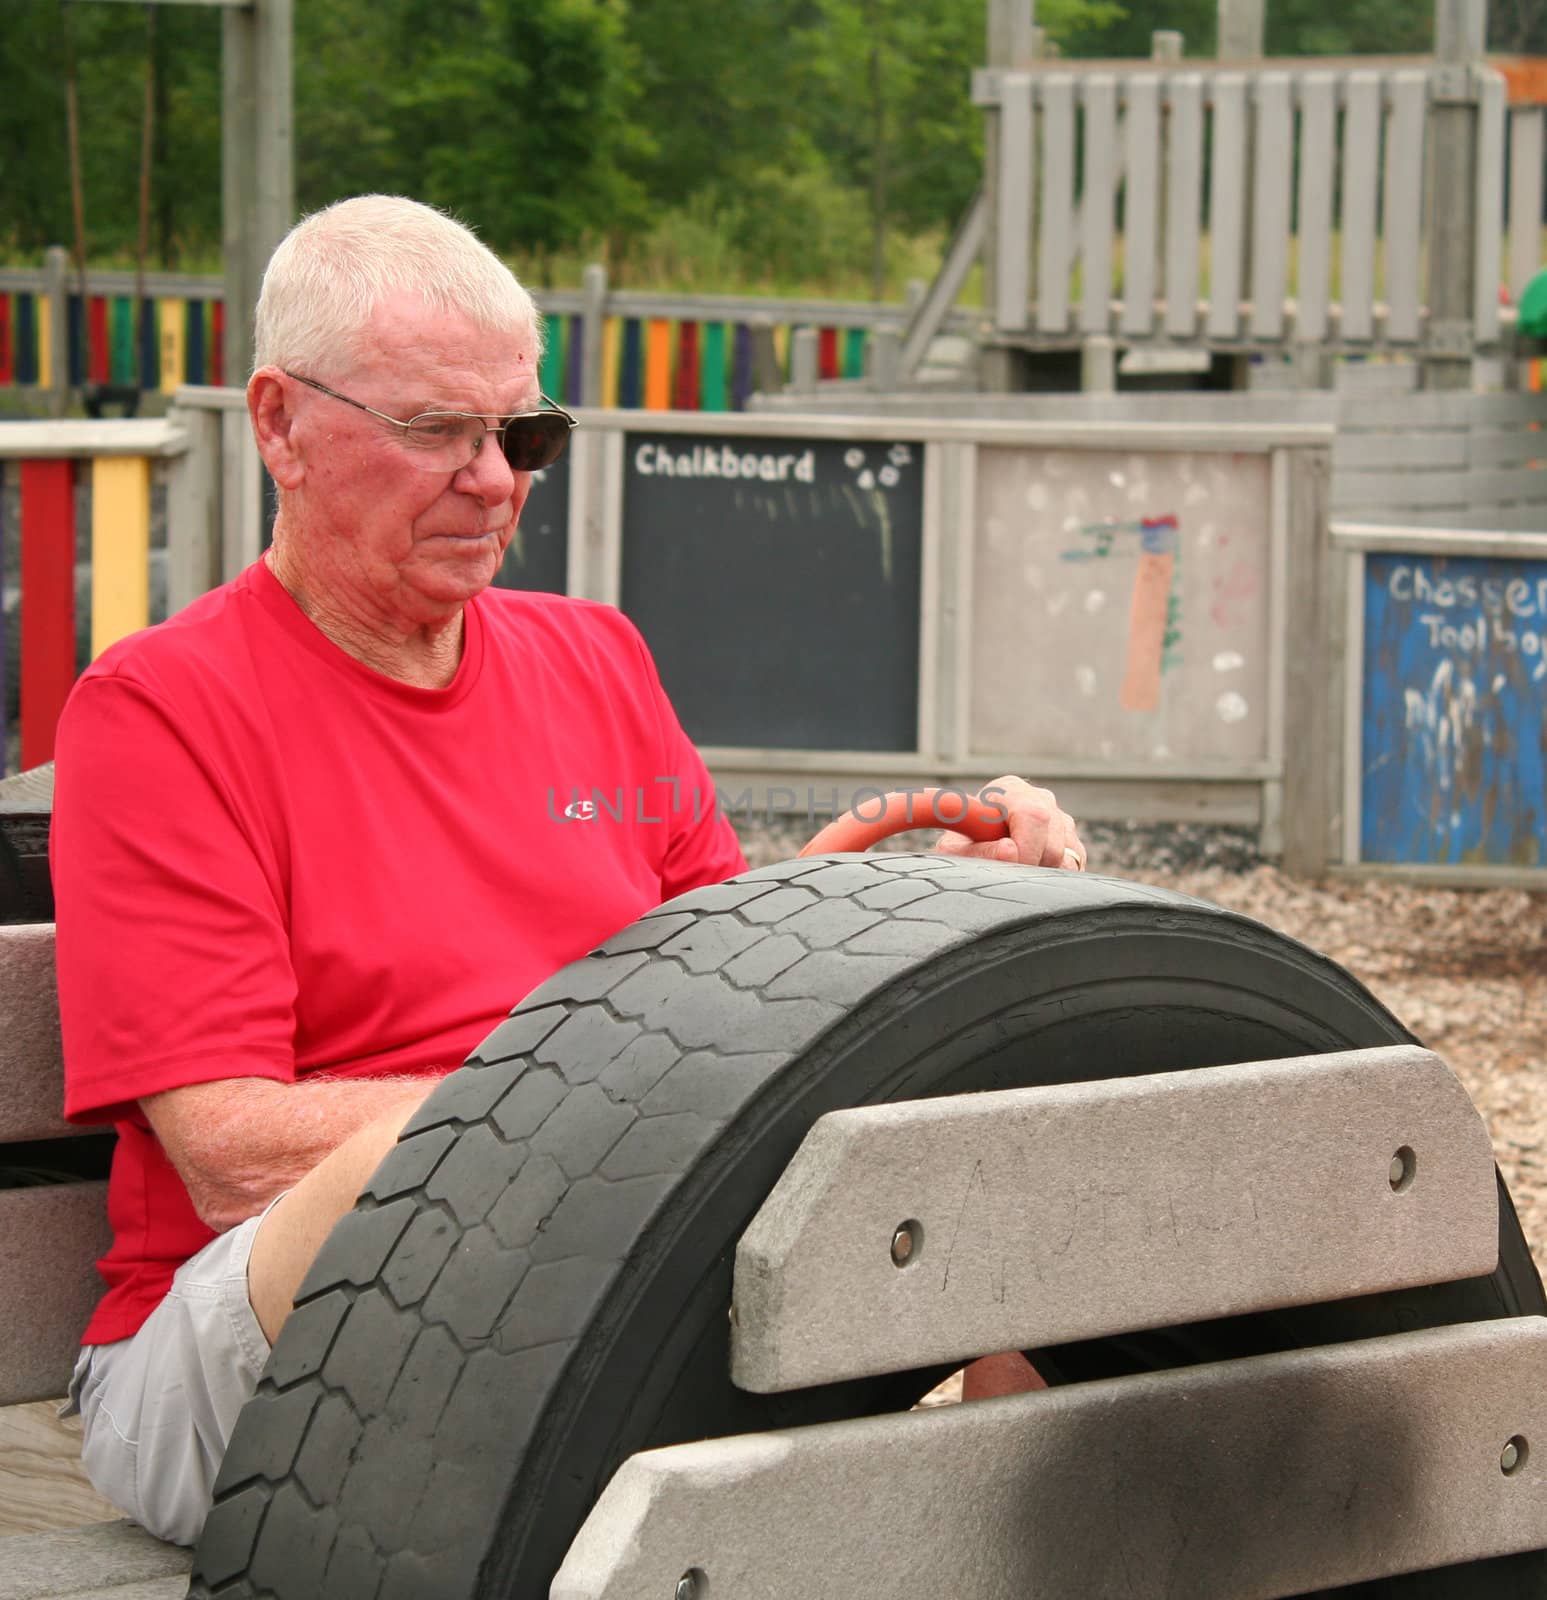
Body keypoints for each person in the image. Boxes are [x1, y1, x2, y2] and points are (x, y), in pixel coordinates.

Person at [48, 194, 1086, 1547]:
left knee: (1045, 1105)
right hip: (246, 1354)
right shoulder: (161, 710)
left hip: (596, 1292)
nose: (496, 480)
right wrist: (603, 1114)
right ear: (279, 425)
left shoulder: (595, 660)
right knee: (376, 1174)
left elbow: (723, 989)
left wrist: (923, 906)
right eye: (436, 432)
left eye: (522, 434)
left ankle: (1016, 1544)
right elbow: (236, 1157)